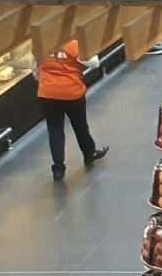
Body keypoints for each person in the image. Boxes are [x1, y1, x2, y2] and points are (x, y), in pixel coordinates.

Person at [36, 40, 108, 182]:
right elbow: (94, 63)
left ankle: (58, 169)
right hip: (71, 93)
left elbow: (33, 63)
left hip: (47, 93)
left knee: (54, 130)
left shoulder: (40, 40)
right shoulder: (72, 43)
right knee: (80, 126)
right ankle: (89, 154)